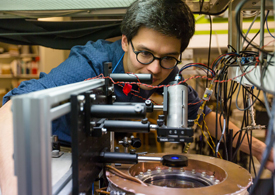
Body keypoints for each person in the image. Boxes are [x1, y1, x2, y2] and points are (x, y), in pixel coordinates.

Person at [0, 0, 273, 194]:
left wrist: (264, 151)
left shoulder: (171, 75)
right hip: (42, 154)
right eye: (145, 53)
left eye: (168, 58)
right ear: (124, 42)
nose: (155, 69)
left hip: (92, 159)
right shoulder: (93, 63)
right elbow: (13, 108)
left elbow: (205, 116)